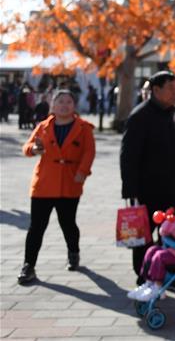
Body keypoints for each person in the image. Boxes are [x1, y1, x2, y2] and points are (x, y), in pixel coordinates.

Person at [120, 71, 175, 284]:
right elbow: (128, 156)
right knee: (143, 235)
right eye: (170, 88)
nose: (174, 93)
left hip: (169, 186)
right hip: (145, 187)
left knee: (171, 232)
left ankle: (170, 271)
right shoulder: (139, 116)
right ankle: (143, 275)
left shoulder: (172, 113)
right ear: (156, 90)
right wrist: (130, 191)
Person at [18, 90, 96, 284]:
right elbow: (26, 147)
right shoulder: (43, 127)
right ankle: (28, 265)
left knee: (67, 223)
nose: (64, 105)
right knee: (36, 226)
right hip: (44, 183)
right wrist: (33, 149)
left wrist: (83, 171)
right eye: (60, 101)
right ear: (53, 105)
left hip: (70, 182)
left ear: (74, 105)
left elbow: (89, 152)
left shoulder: (84, 128)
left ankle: (73, 251)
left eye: (68, 102)